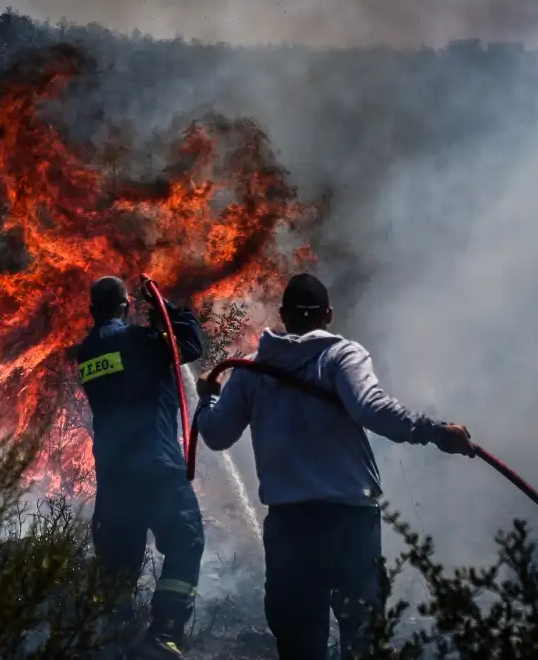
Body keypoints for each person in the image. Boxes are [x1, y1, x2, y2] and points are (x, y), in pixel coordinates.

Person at [192, 273, 475, 660]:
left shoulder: (250, 371)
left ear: (283, 315)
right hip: (349, 521)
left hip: (290, 524)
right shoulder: (342, 356)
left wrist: (207, 398)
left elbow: (216, 434)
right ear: (328, 314)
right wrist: (436, 431)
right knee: (362, 637)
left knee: (300, 643)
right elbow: (372, 409)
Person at [74, 275, 206, 659]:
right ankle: (164, 634)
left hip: (114, 476)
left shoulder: (87, 352)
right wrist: (168, 309)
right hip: (156, 466)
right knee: (186, 540)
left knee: (118, 565)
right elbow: (189, 344)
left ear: (91, 310)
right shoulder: (138, 341)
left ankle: (115, 641)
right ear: (126, 306)